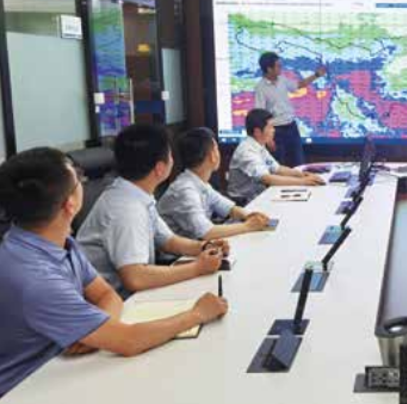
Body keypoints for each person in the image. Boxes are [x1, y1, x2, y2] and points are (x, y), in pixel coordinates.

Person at [0, 148, 227, 397]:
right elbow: (128, 341)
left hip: (63, 370)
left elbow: (106, 295)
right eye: (78, 180)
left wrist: (95, 329)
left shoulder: (57, 242)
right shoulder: (36, 279)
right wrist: (197, 314)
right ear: (70, 204)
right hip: (27, 389)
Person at [78, 125, 229, 298]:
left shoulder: (135, 193)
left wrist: (205, 247)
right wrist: (197, 268)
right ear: (160, 168)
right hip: (117, 302)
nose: (173, 160)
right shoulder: (127, 209)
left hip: (131, 294)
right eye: (170, 155)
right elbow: (135, 278)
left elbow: (168, 240)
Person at [158, 127, 272, 240]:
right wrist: (248, 226)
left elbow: (229, 208)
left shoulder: (199, 182)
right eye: (216, 148)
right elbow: (206, 232)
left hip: (196, 245)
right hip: (181, 251)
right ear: (212, 156)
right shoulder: (184, 190)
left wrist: (250, 216)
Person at [228, 108, 325, 204]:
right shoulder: (247, 151)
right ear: (257, 131)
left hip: (258, 196)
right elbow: (267, 179)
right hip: (244, 203)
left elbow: (278, 169)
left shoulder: (258, 145)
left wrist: (304, 175)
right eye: (270, 127)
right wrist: (303, 182)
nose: (274, 130)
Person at [254, 52, 326, 167]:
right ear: (269, 69)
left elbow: (299, 85)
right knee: (280, 166)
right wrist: (268, 139)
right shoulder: (260, 88)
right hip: (276, 132)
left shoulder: (282, 80)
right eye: (278, 66)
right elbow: (259, 114)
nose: (281, 68)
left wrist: (316, 75)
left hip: (291, 128)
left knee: (298, 163)